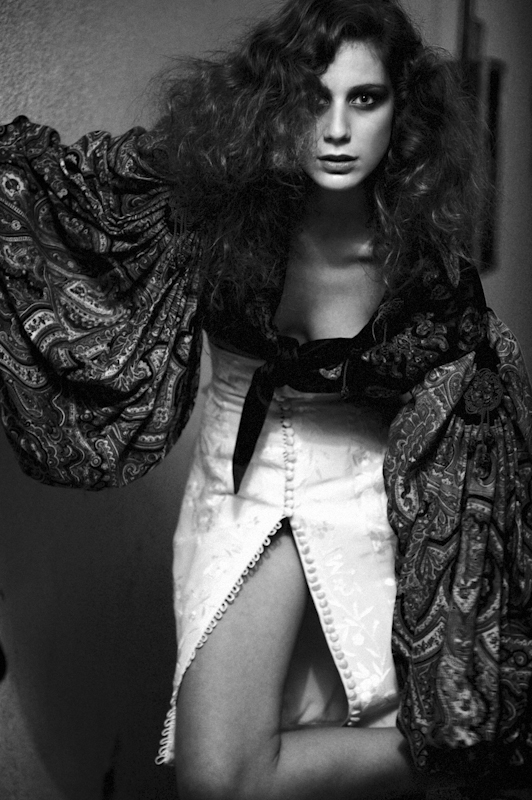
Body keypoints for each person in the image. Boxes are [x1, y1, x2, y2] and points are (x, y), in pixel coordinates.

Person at [0, 0, 531, 798]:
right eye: (315, 98)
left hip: (369, 494)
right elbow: (50, 198)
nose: (337, 130)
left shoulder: (427, 274)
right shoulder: (207, 200)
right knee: (220, 775)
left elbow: (473, 441)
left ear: (403, 112)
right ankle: (468, 754)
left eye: (365, 99)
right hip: (239, 482)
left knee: (343, 718)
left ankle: (470, 748)